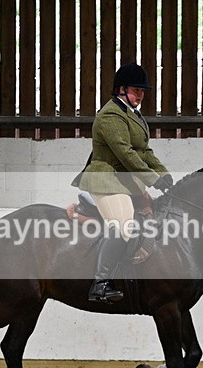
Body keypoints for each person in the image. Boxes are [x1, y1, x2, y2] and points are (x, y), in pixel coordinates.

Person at [73, 62, 173, 303]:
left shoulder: (134, 115)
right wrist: (152, 179)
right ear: (121, 89)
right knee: (123, 225)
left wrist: (163, 173)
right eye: (136, 90)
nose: (140, 95)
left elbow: (144, 151)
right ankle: (100, 283)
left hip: (124, 182)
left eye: (143, 91)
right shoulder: (110, 115)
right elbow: (126, 153)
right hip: (105, 179)